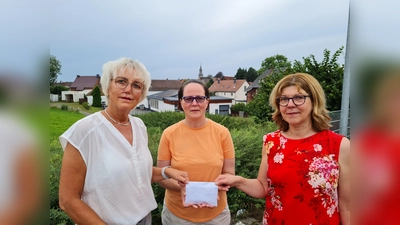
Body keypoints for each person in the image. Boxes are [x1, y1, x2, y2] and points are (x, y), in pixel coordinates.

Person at [58, 57, 189, 225]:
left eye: (136, 85)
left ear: (141, 94)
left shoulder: (139, 126)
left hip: (144, 219)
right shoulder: (84, 131)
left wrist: (166, 172)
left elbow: (136, 172)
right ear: (107, 86)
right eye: (121, 81)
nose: (128, 89)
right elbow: (68, 201)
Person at [215, 73, 350, 225]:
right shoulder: (271, 142)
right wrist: (237, 181)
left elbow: (348, 206)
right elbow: (262, 187)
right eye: (284, 99)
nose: (290, 105)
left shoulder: (339, 145)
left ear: (314, 101)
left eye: (299, 97)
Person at [157, 79, 235, 225]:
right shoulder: (169, 134)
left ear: (207, 102)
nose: (194, 103)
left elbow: (229, 173)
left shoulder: (222, 133)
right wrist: (182, 188)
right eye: (188, 98)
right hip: (177, 215)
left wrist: (220, 185)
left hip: (216, 214)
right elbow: (162, 176)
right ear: (180, 102)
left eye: (200, 98)